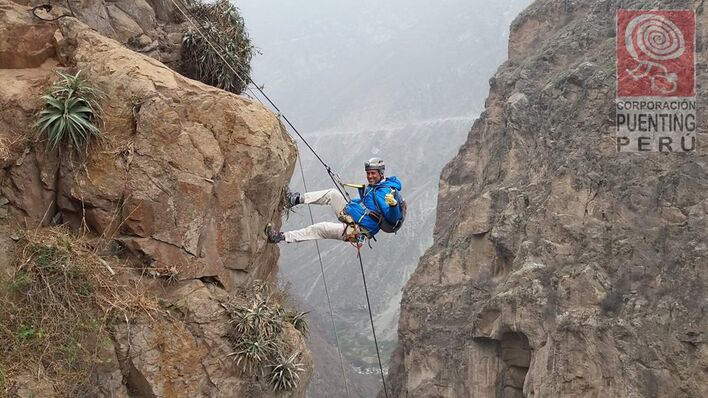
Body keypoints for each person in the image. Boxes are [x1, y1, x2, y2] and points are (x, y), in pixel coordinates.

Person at [265, 157, 403, 243]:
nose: (370, 176)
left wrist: (393, 205)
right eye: (368, 173)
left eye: (373, 173)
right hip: (351, 214)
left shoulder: (384, 192)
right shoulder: (375, 187)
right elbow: (367, 204)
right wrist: (352, 204)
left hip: (358, 230)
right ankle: (293, 200)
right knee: (332, 194)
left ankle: (281, 237)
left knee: (320, 228)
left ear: (381, 173)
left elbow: (392, 217)